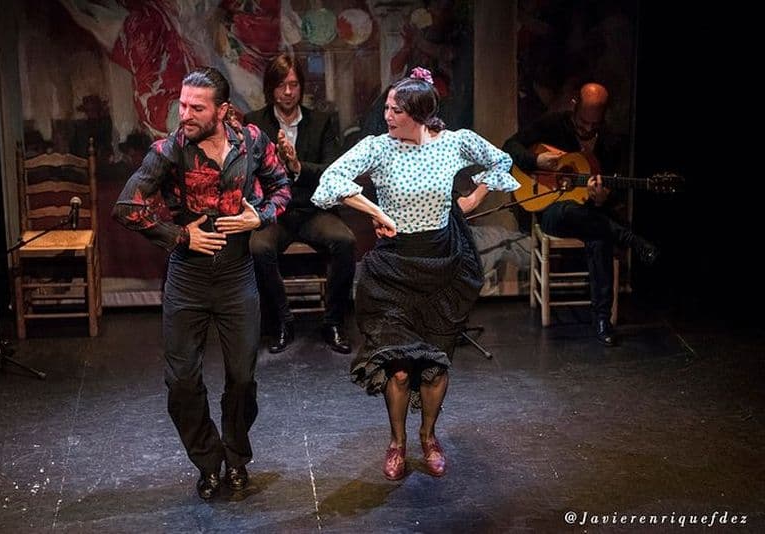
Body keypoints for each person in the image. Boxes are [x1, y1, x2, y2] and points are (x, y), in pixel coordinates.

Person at [311, 67, 519, 480]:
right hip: (393, 266)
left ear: (421, 114)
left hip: (442, 265)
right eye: (387, 107)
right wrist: (376, 211)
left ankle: (428, 437)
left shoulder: (454, 144)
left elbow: (502, 160)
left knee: (435, 366)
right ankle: (397, 442)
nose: (388, 116)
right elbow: (330, 180)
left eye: (397, 110)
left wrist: (471, 197)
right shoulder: (379, 148)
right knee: (400, 366)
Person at [112, 67, 291, 499]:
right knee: (182, 382)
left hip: (236, 275)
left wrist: (260, 215)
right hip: (189, 278)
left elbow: (282, 185)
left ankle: (235, 456)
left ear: (222, 110)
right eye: (182, 104)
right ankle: (208, 460)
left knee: (243, 379)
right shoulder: (169, 150)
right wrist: (180, 235)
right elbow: (125, 207)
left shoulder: (251, 141)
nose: (185, 114)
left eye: (196, 107)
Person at [502, 82, 659, 346]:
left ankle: (601, 319)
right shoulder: (554, 124)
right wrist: (536, 161)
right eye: (582, 123)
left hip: (590, 215)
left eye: (593, 126)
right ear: (575, 106)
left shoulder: (609, 142)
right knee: (569, 211)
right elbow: (510, 146)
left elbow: (611, 193)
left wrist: (600, 198)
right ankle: (631, 239)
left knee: (599, 236)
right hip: (552, 211)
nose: (587, 130)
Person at [244, 54, 356, 354]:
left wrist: (296, 165)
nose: (288, 92)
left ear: (301, 87)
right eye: (281, 85)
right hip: (274, 213)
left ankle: (333, 322)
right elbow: (246, 172)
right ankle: (282, 321)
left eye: (293, 84)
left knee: (345, 241)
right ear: (271, 88)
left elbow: (333, 171)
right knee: (257, 248)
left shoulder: (321, 122)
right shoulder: (254, 122)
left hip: (312, 210)